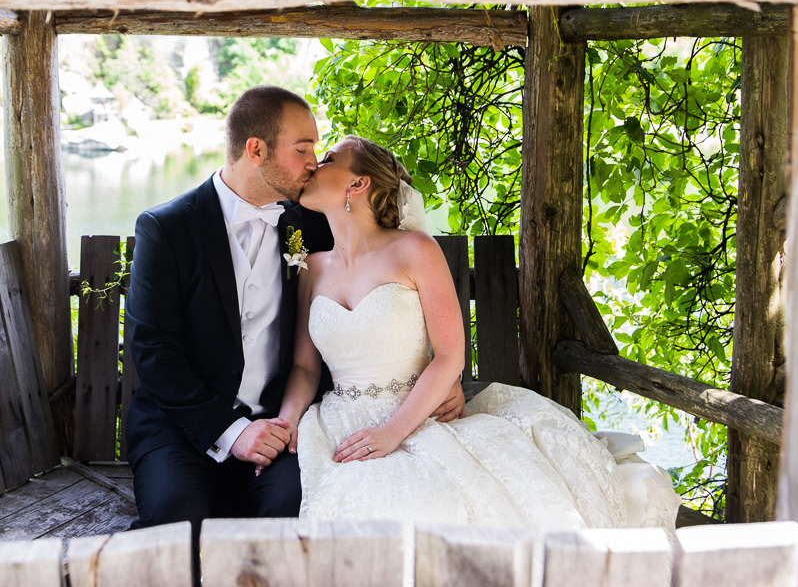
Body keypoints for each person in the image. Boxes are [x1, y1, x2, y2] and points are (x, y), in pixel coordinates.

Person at [278, 135, 680, 532]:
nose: (315, 164)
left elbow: (451, 356)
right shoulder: (312, 268)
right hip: (337, 423)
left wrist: (392, 433)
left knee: (423, 503)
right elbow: (304, 366)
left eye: (328, 158)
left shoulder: (415, 250)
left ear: (358, 183)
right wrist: (287, 421)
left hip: (417, 416)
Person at [123, 87, 470, 535]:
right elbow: (153, 350)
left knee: (296, 512)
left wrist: (446, 380)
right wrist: (231, 433)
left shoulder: (309, 222)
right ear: (256, 150)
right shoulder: (167, 228)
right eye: (304, 148)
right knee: (175, 520)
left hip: (282, 422)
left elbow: (385, 294)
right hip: (183, 427)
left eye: (320, 152)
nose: (313, 162)